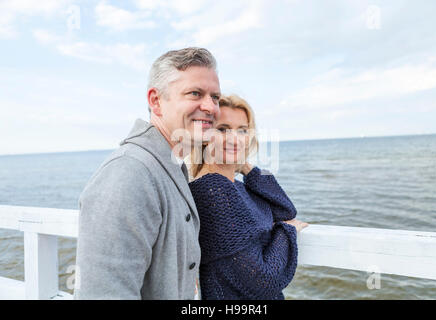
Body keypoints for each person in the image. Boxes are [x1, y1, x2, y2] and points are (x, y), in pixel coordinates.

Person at [74, 47, 221, 299]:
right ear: (156, 101)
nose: (210, 107)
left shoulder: (170, 165)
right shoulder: (129, 171)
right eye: (195, 93)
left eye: (215, 97)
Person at [188, 95, 308, 300]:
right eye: (223, 129)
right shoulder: (213, 190)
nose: (235, 139)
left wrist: (248, 168)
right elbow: (264, 280)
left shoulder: (236, 186)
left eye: (243, 130)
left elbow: (286, 210)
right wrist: (288, 230)